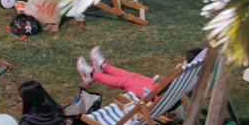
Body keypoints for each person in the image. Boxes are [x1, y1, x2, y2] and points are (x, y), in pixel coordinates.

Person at [78, 46, 206, 97]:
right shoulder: (198, 77)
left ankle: (92, 74)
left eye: (184, 62)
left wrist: (178, 72)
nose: (182, 63)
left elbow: (169, 90)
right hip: (159, 90)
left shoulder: (187, 78)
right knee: (133, 76)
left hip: (155, 97)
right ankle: (103, 66)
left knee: (127, 81)